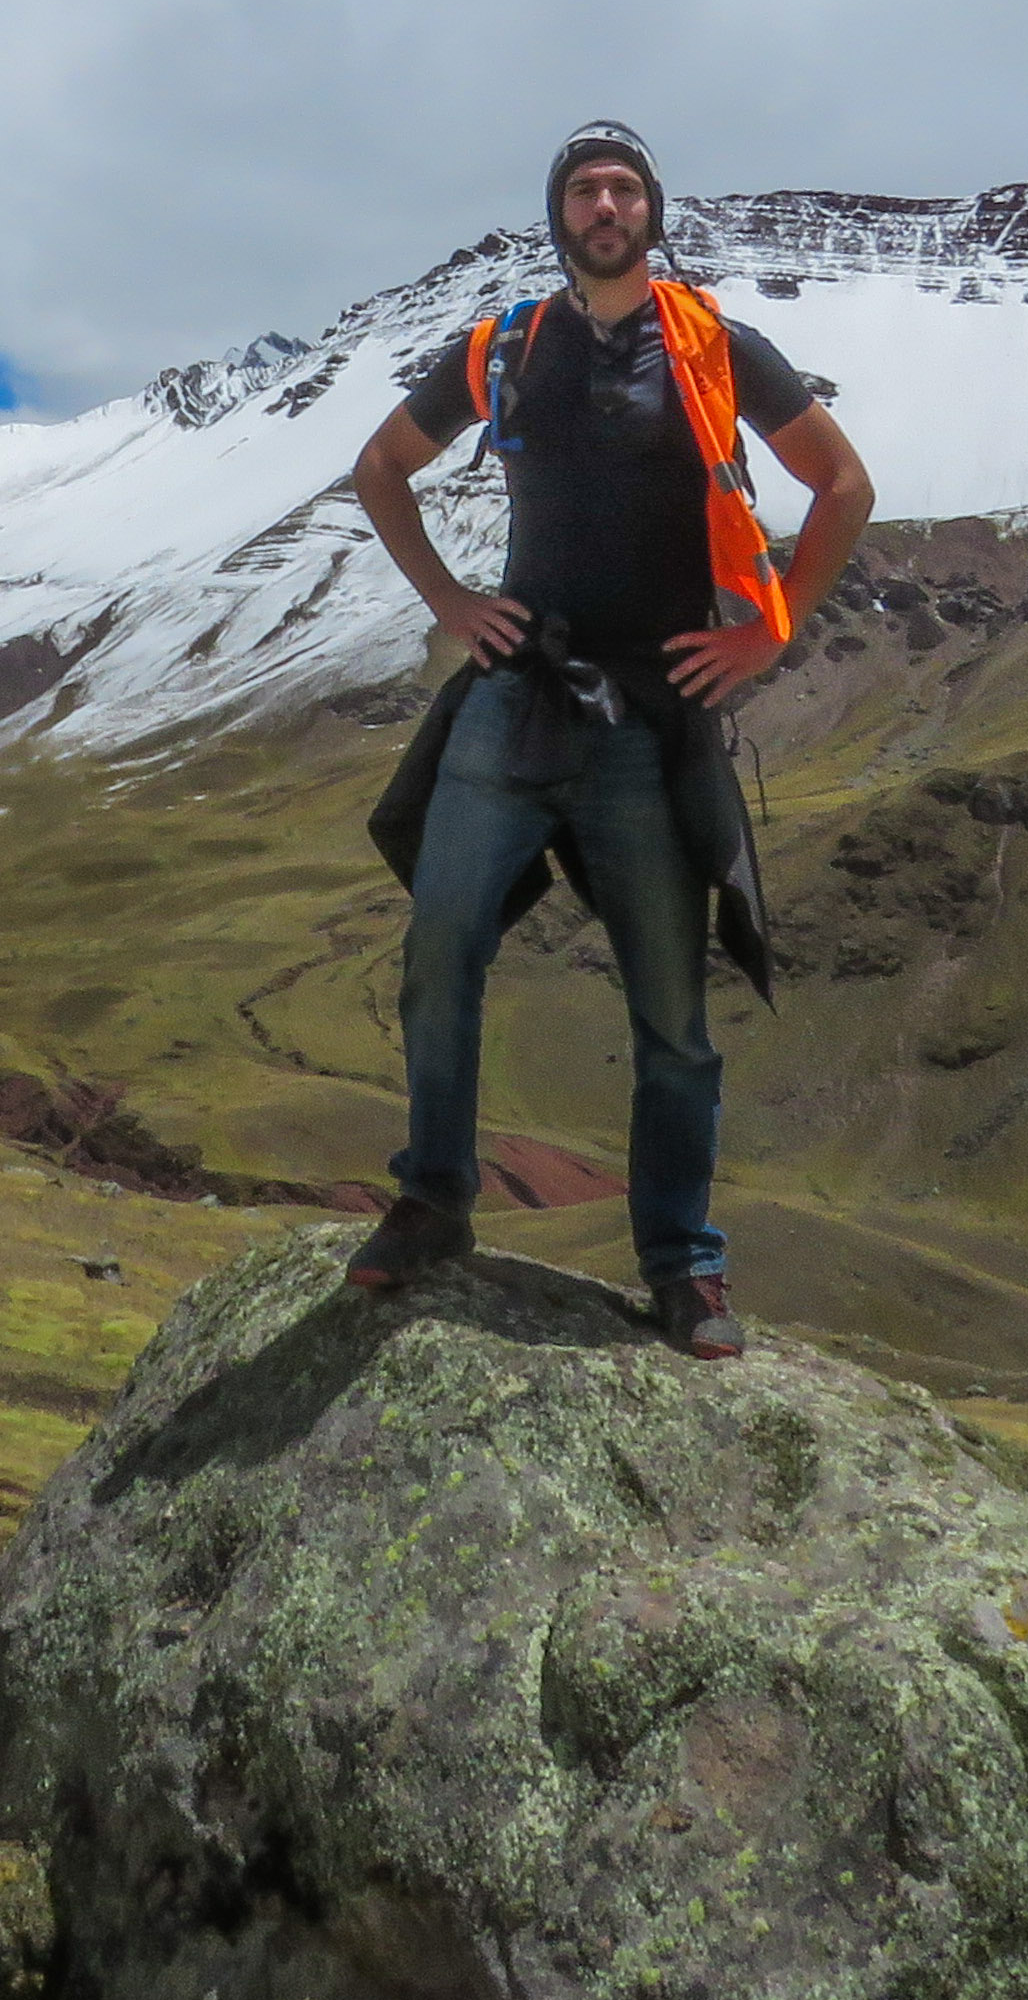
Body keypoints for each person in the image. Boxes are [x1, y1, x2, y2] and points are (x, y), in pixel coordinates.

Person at [344, 120, 875, 1356]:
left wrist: (771, 633)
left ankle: (684, 1266)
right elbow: (381, 466)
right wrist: (450, 602)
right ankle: (434, 1201)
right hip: (513, 698)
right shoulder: (504, 347)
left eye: (624, 189)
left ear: (652, 213)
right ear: (559, 215)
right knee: (439, 950)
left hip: (648, 715)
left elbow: (842, 486)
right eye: (584, 189)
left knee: (671, 1012)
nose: (604, 206)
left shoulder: (716, 347)